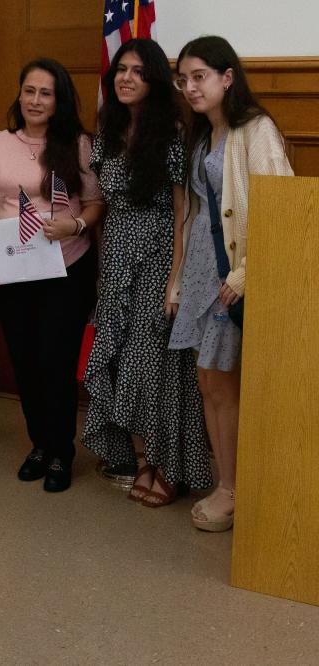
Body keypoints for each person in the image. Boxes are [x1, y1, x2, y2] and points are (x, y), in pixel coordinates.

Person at [81, 38, 213, 507]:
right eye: (121, 69)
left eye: (138, 71)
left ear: (154, 80)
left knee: (153, 366)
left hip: (159, 262)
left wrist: (176, 280)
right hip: (115, 262)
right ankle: (140, 461)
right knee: (119, 361)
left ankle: (166, 466)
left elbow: (185, 213)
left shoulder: (173, 135)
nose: (126, 77)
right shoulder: (109, 133)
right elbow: (104, 207)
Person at [169, 35, 293, 531]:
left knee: (223, 383)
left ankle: (235, 489)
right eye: (184, 79)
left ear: (227, 77)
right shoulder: (201, 136)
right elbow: (194, 211)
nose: (191, 88)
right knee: (207, 382)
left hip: (233, 274)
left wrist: (244, 275)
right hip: (201, 272)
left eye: (200, 76)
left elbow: (279, 209)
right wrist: (177, 279)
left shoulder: (255, 129)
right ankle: (226, 480)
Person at [0, 58, 105, 492]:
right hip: (13, 268)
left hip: (67, 266)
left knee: (56, 362)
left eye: (45, 93)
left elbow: (94, 204)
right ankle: (40, 444)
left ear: (59, 99)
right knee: (25, 363)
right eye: (29, 91)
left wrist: (77, 225)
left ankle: (61, 451)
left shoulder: (78, 145)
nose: (35, 100)